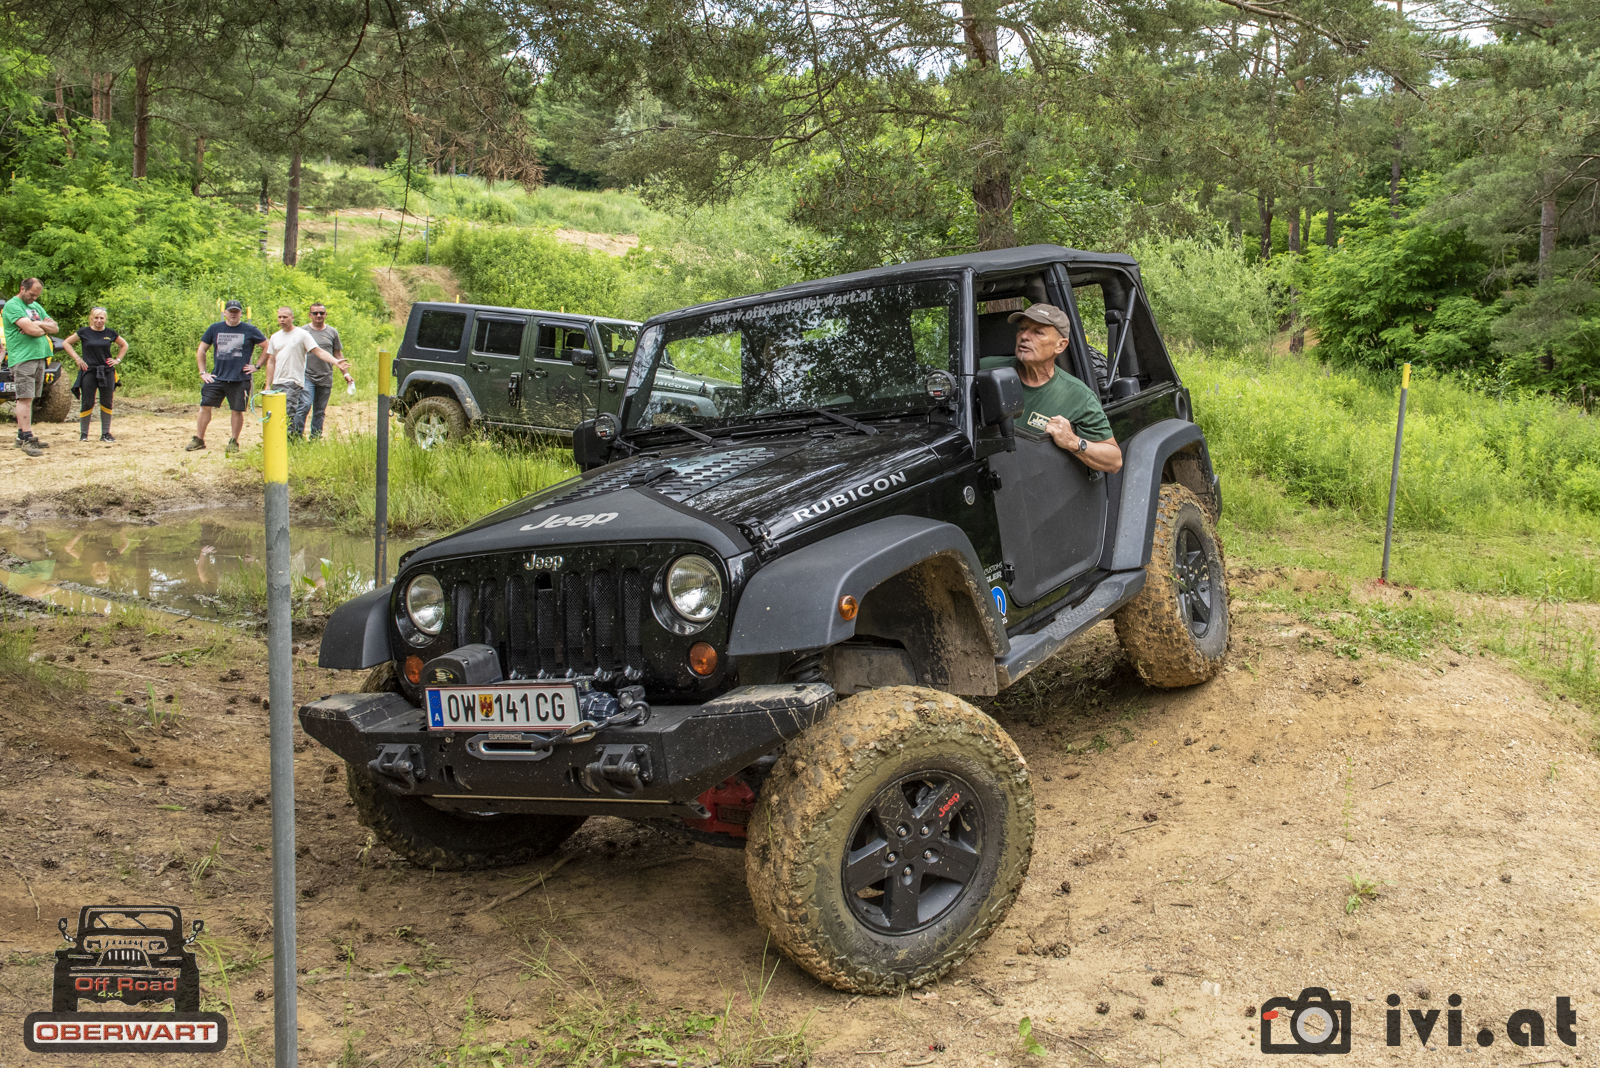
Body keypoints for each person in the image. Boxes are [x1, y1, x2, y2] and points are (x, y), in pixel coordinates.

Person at [978, 303, 1123, 474]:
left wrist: (1074, 442)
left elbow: (1114, 461)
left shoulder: (1078, 396)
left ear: (1060, 345)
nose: (1024, 336)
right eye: (1022, 328)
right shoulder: (984, 369)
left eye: (1038, 332)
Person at [190, 300, 267, 454]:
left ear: (241, 313)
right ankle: (199, 439)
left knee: (236, 410)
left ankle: (233, 441)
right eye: (230, 311)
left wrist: (257, 366)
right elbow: (201, 349)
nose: (233, 314)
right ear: (225, 312)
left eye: (236, 311)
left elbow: (267, 347)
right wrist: (203, 372)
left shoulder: (250, 330)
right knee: (205, 406)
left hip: (240, 379)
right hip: (217, 377)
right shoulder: (215, 328)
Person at [260, 306, 350, 434]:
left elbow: (318, 351)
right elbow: (271, 361)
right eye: (279, 317)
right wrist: (268, 385)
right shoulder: (275, 337)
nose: (282, 320)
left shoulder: (302, 334)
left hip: (294, 381)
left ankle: (293, 439)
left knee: (290, 412)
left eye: (285, 317)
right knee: (278, 412)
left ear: (292, 318)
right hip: (278, 382)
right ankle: (287, 438)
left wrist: (335, 362)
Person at [3, 277, 60, 457]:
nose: (34, 298)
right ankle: (28, 438)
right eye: (31, 294)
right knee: (25, 398)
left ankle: (21, 436)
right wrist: (41, 327)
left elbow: (55, 328)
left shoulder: (35, 307)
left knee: (31, 397)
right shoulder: (13, 306)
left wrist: (37, 324)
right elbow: (33, 331)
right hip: (23, 357)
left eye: (37, 295)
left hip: (39, 356)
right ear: (22, 289)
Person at [62, 306, 128, 442]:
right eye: (96, 318)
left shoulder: (110, 333)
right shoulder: (84, 332)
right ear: (91, 318)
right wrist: (77, 359)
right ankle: (84, 434)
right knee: (87, 402)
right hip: (89, 371)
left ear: (105, 319)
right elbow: (66, 343)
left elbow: (124, 345)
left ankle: (105, 434)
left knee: (107, 401)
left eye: (101, 318)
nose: (99, 320)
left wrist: (117, 360)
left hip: (106, 371)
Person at [296, 302, 343, 440]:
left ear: (325, 314)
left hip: (325, 376)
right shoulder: (302, 332)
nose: (318, 315)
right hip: (307, 375)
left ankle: (315, 438)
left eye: (321, 313)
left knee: (320, 410)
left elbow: (337, 353)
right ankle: (295, 437)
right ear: (309, 315)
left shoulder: (332, 332)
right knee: (304, 406)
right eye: (315, 313)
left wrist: (345, 373)